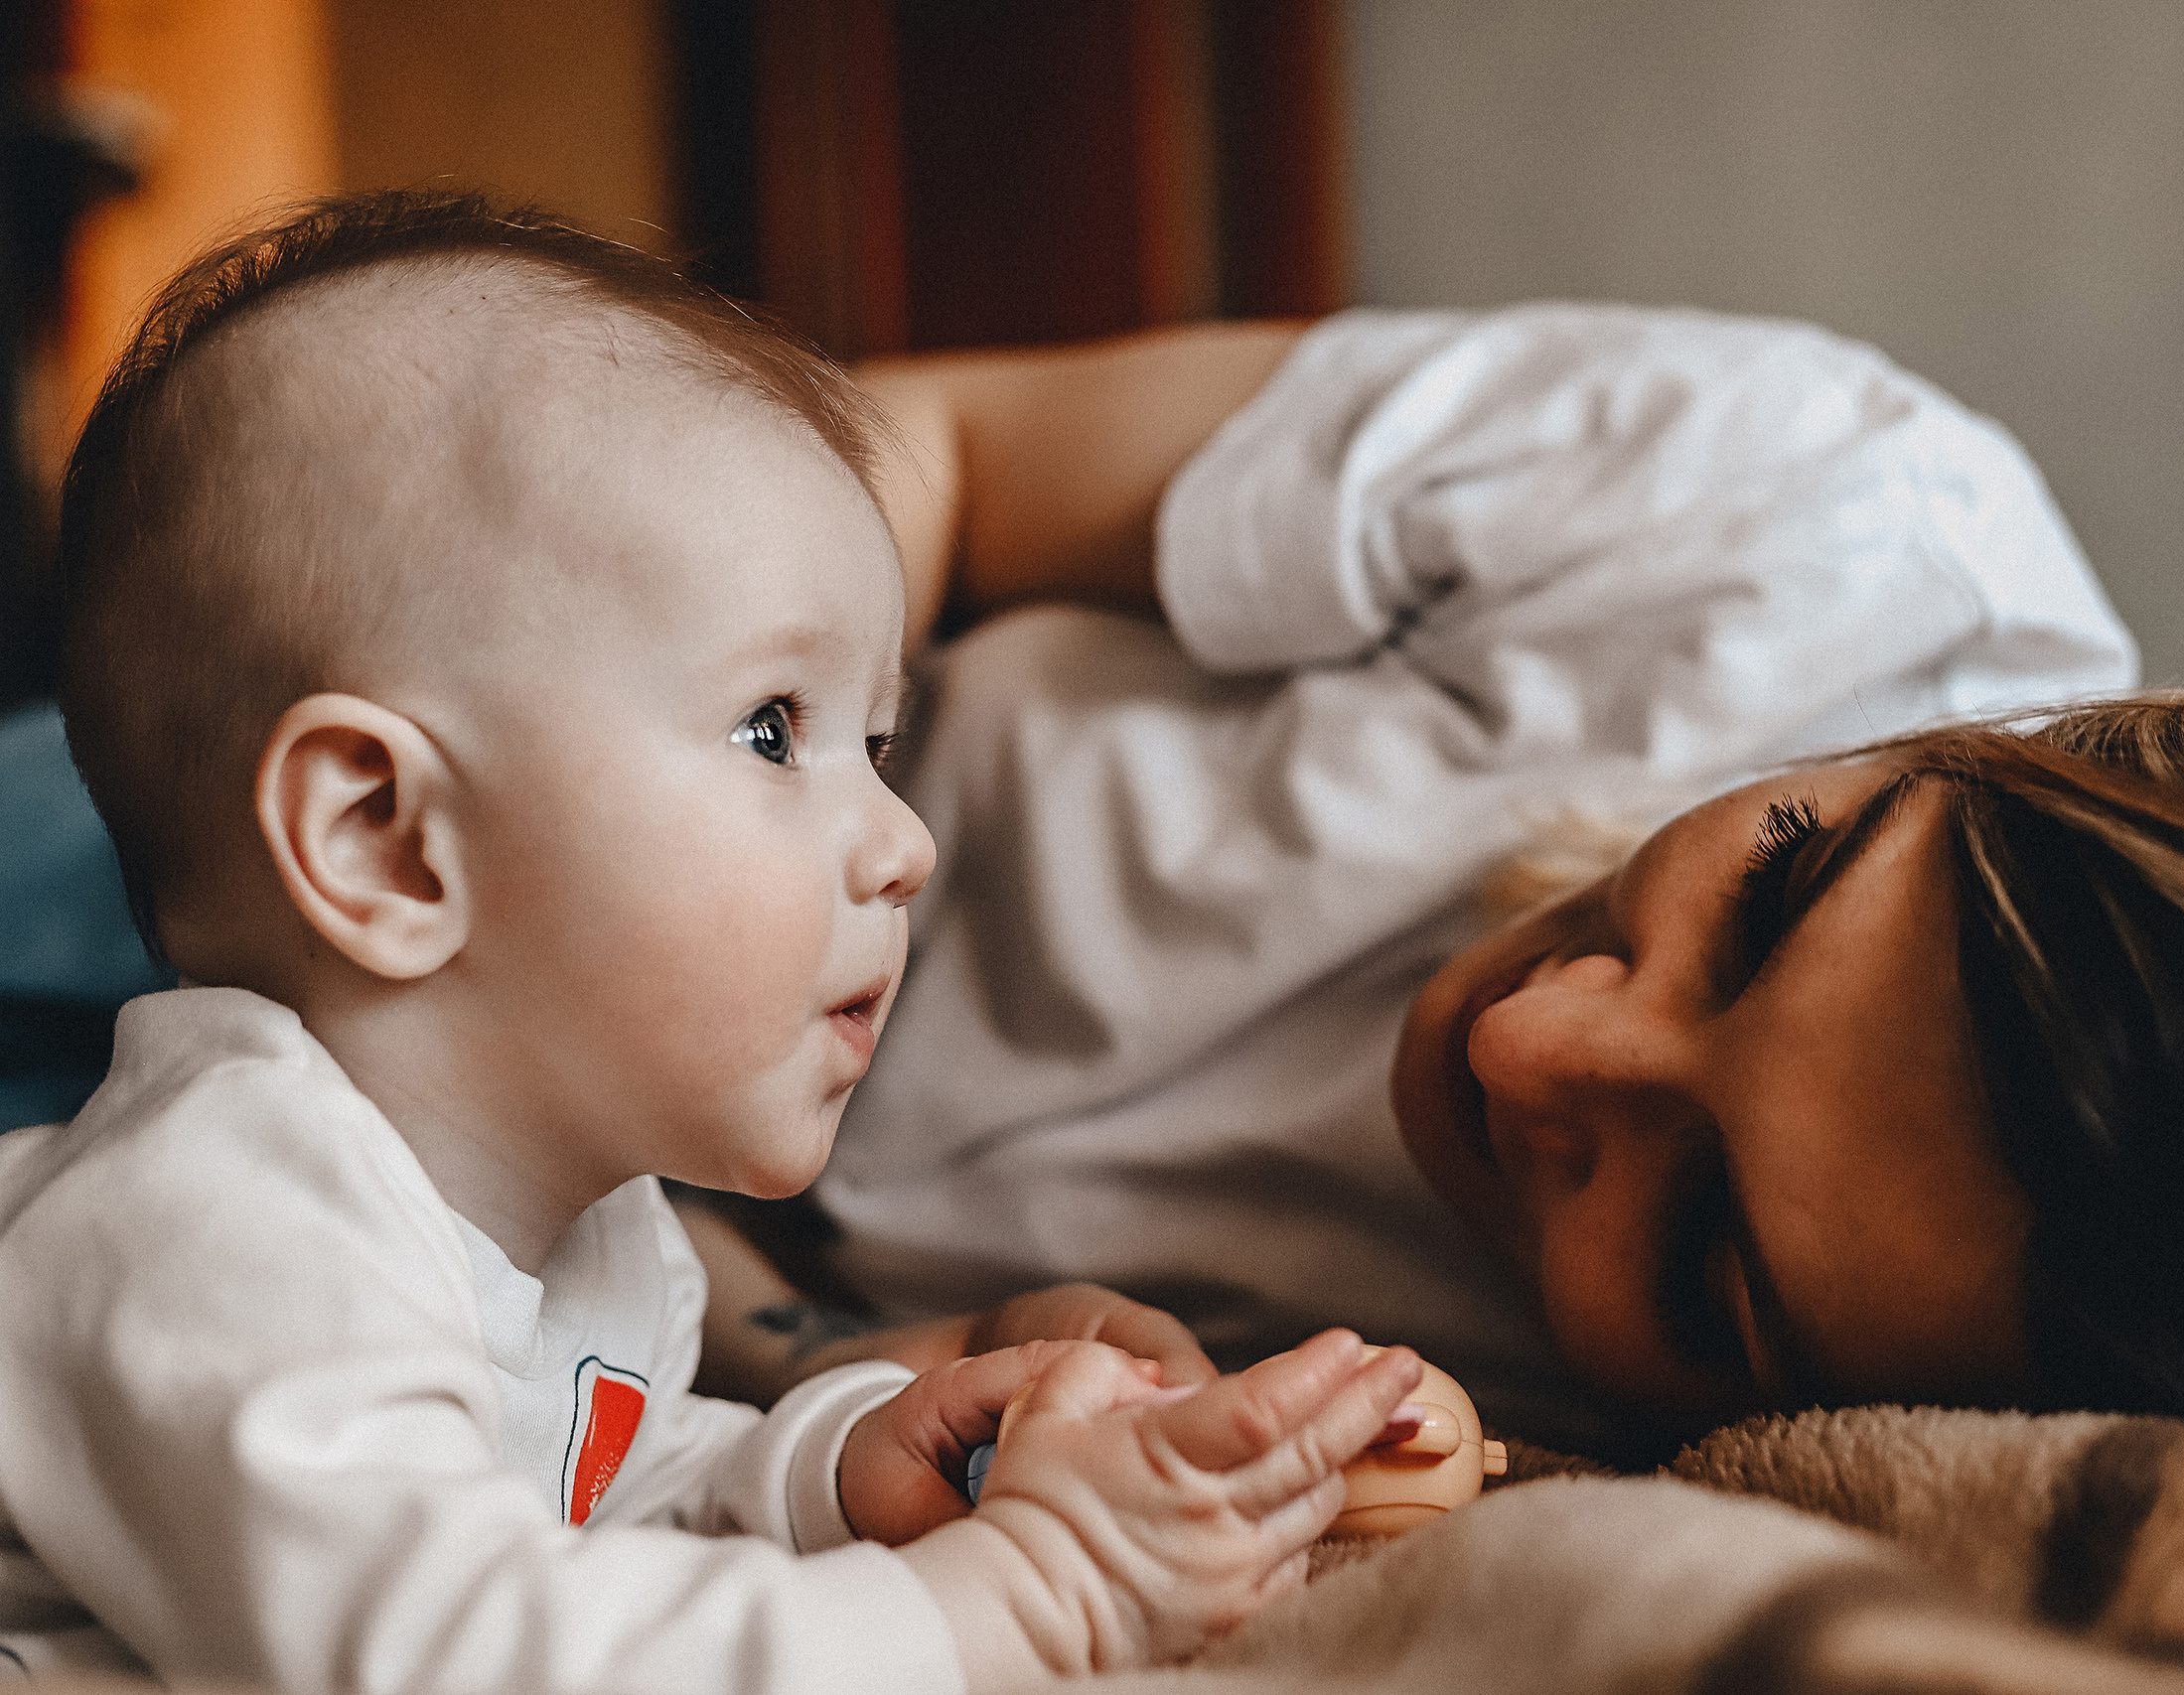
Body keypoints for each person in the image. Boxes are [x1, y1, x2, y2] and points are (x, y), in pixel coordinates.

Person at [0, 192, 1428, 1694]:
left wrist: (839, 1475)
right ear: (389, 840)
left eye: (877, 743)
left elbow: (589, 1510)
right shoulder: (221, 1236)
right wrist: (1032, 1596)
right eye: (772, 730)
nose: (905, 842)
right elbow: (477, 1657)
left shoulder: (592, 1239)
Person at [695, 309, 2184, 1469]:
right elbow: (938, 458)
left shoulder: (1605, 1464)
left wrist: (808, 1349)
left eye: (1699, 1255)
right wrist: (667, 792)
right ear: (2019, 740)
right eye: (1776, 889)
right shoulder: (1821, 515)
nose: (1530, 1046)